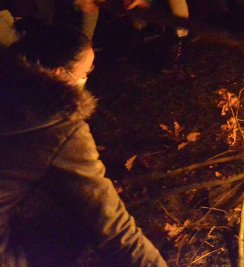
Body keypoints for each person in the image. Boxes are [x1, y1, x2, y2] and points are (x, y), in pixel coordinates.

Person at [0, 22, 166, 266]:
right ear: (59, 73)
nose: (85, 79)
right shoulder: (57, 128)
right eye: (84, 72)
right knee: (70, 228)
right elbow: (113, 228)